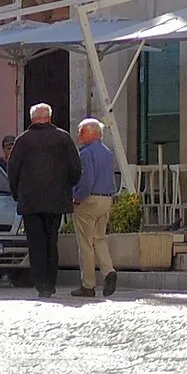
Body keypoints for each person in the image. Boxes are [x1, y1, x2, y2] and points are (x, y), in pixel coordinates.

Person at [5, 99, 82, 301]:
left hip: (30, 201)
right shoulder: (63, 138)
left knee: (36, 243)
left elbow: (12, 170)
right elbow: (76, 169)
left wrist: (17, 193)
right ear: (49, 117)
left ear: (32, 119)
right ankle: (51, 281)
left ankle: (42, 285)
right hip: (56, 200)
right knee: (51, 241)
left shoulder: (22, 141)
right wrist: (67, 187)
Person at [71, 116, 119, 300]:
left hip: (89, 201)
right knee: (100, 239)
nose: (78, 135)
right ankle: (108, 271)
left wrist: (76, 197)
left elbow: (86, 181)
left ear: (91, 133)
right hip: (106, 199)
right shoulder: (107, 152)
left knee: (85, 243)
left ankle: (88, 285)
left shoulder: (85, 153)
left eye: (81, 131)